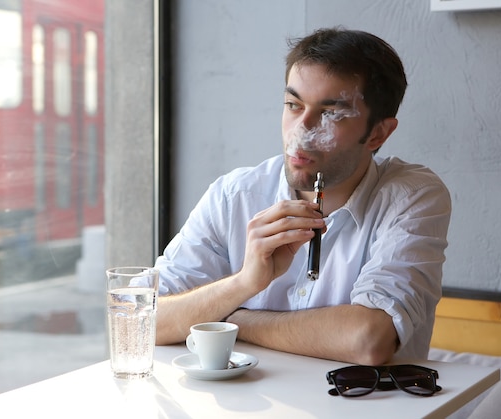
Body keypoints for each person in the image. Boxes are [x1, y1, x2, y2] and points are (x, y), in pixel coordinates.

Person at [153, 27, 451, 366]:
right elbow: (145, 318)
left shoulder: (410, 196)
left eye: (330, 113)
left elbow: (369, 340)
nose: (302, 130)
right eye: (293, 105)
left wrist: (232, 319)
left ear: (378, 133)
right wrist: (244, 283)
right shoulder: (233, 196)